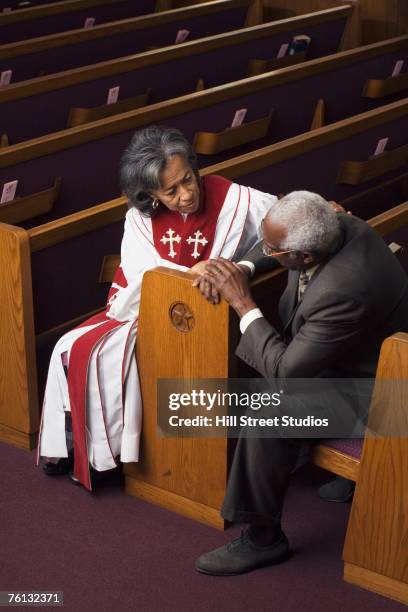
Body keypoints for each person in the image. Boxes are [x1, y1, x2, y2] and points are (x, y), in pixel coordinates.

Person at [37, 126, 279, 490]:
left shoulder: (230, 197)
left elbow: (280, 222)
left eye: (188, 179)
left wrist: (238, 267)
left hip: (207, 318)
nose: (187, 194)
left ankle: (107, 455)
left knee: (111, 356)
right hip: (144, 308)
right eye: (171, 191)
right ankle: (81, 446)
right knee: (70, 347)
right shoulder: (140, 217)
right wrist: (191, 272)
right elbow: (139, 273)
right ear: (149, 195)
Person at [194, 190, 408, 575]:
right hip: (362, 361)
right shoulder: (333, 221)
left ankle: (264, 539)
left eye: (272, 249)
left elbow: (286, 375)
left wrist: (244, 303)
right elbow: (278, 238)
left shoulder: (346, 288)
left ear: (304, 257)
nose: (265, 247)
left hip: (382, 395)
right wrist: (245, 266)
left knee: (267, 409)